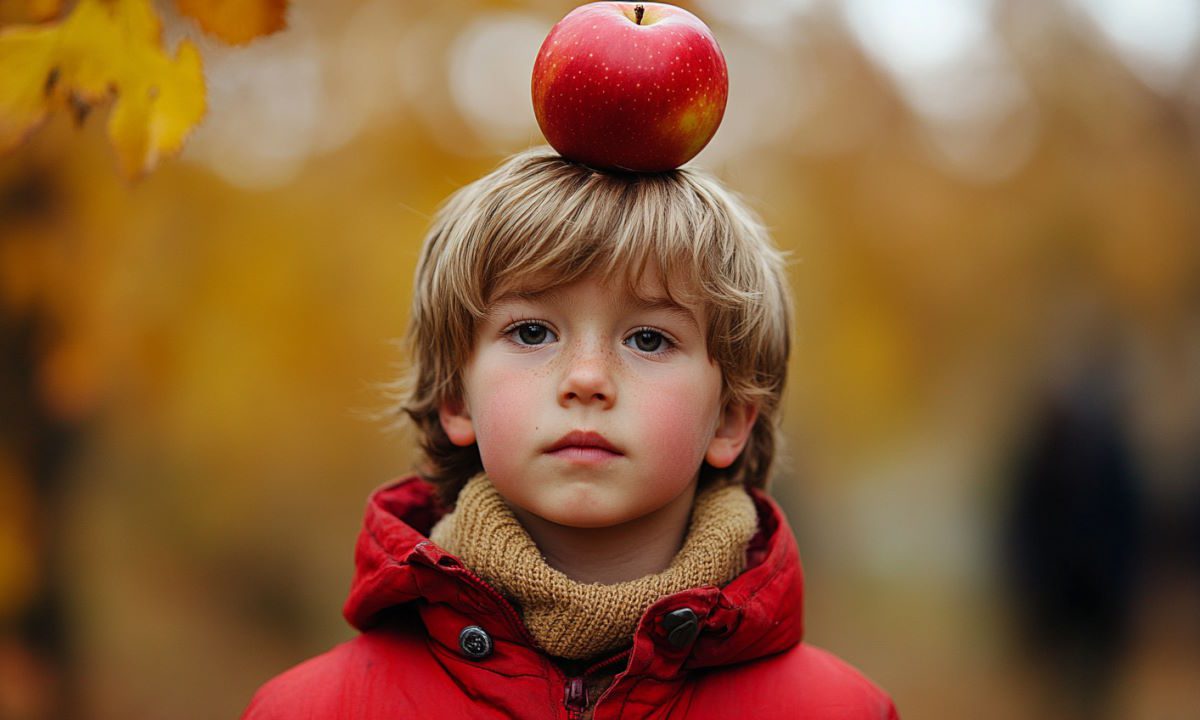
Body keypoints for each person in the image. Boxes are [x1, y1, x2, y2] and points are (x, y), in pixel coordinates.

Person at [241, 147, 898, 719]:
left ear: (729, 418)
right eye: (532, 332)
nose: (587, 378)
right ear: (455, 397)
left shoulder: (842, 712)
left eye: (649, 339)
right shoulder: (309, 711)